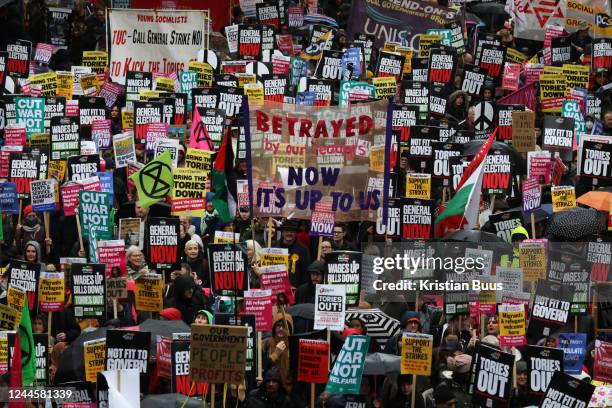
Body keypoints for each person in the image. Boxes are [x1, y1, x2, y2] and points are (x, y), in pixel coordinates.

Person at [263, 313, 294, 394]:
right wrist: (275, 354)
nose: (281, 328)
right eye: (278, 325)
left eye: (284, 326)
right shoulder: (266, 344)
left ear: (289, 328)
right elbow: (262, 366)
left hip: (288, 390)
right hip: (270, 389)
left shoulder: (294, 345)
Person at [275, 220, 310, 288]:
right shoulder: (274, 248)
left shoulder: (303, 250)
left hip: (296, 290)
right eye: (286, 231)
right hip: (277, 289)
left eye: (292, 231)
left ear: (296, 233)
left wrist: (300, 289)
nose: (289, 233)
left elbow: (306, 273)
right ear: (282, 232)